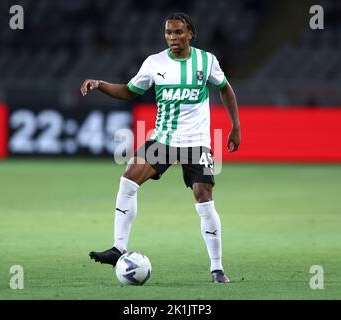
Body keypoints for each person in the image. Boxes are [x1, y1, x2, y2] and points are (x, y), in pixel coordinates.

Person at [80, 12, 241, 283]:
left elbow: (225, 88)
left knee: (203, 198)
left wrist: (235, 125)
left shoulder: (206, 60)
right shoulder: (154, 63)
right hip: (163, 139)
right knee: (128, 180)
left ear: (190, 33)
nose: (173, 38)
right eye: (168, 32)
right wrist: (101, 85)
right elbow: (130, 91)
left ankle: (217, 268)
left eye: (178, 32)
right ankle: (119, 248)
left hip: (196, 141)